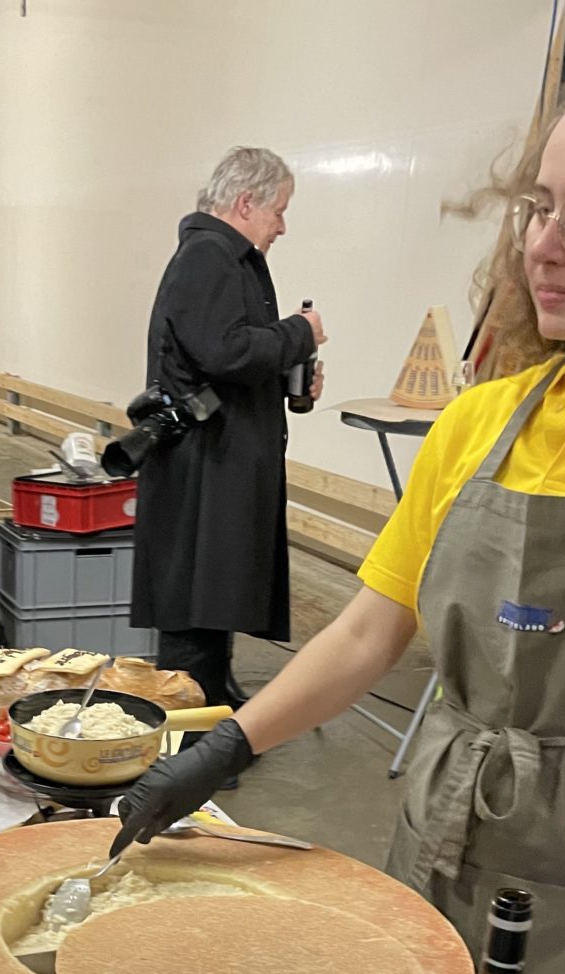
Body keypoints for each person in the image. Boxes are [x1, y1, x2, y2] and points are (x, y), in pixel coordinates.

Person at [113, 56, 565, 974]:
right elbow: (367, 632)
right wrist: (215, 751)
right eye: (538, 207)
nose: (544, 244)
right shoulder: (478, 422)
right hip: (438, 840)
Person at [128, 147, 327, 755]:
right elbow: (227, 352)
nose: (283, 226)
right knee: (194, 608)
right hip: (200, 470)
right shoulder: (208, 256)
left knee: (211, 603)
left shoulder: (223, 257)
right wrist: (300, 332)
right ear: (246, 203)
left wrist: (294, 383)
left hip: (220, 464)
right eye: (279, 210)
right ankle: (187, 752)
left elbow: (228, 359)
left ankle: (210, 719)